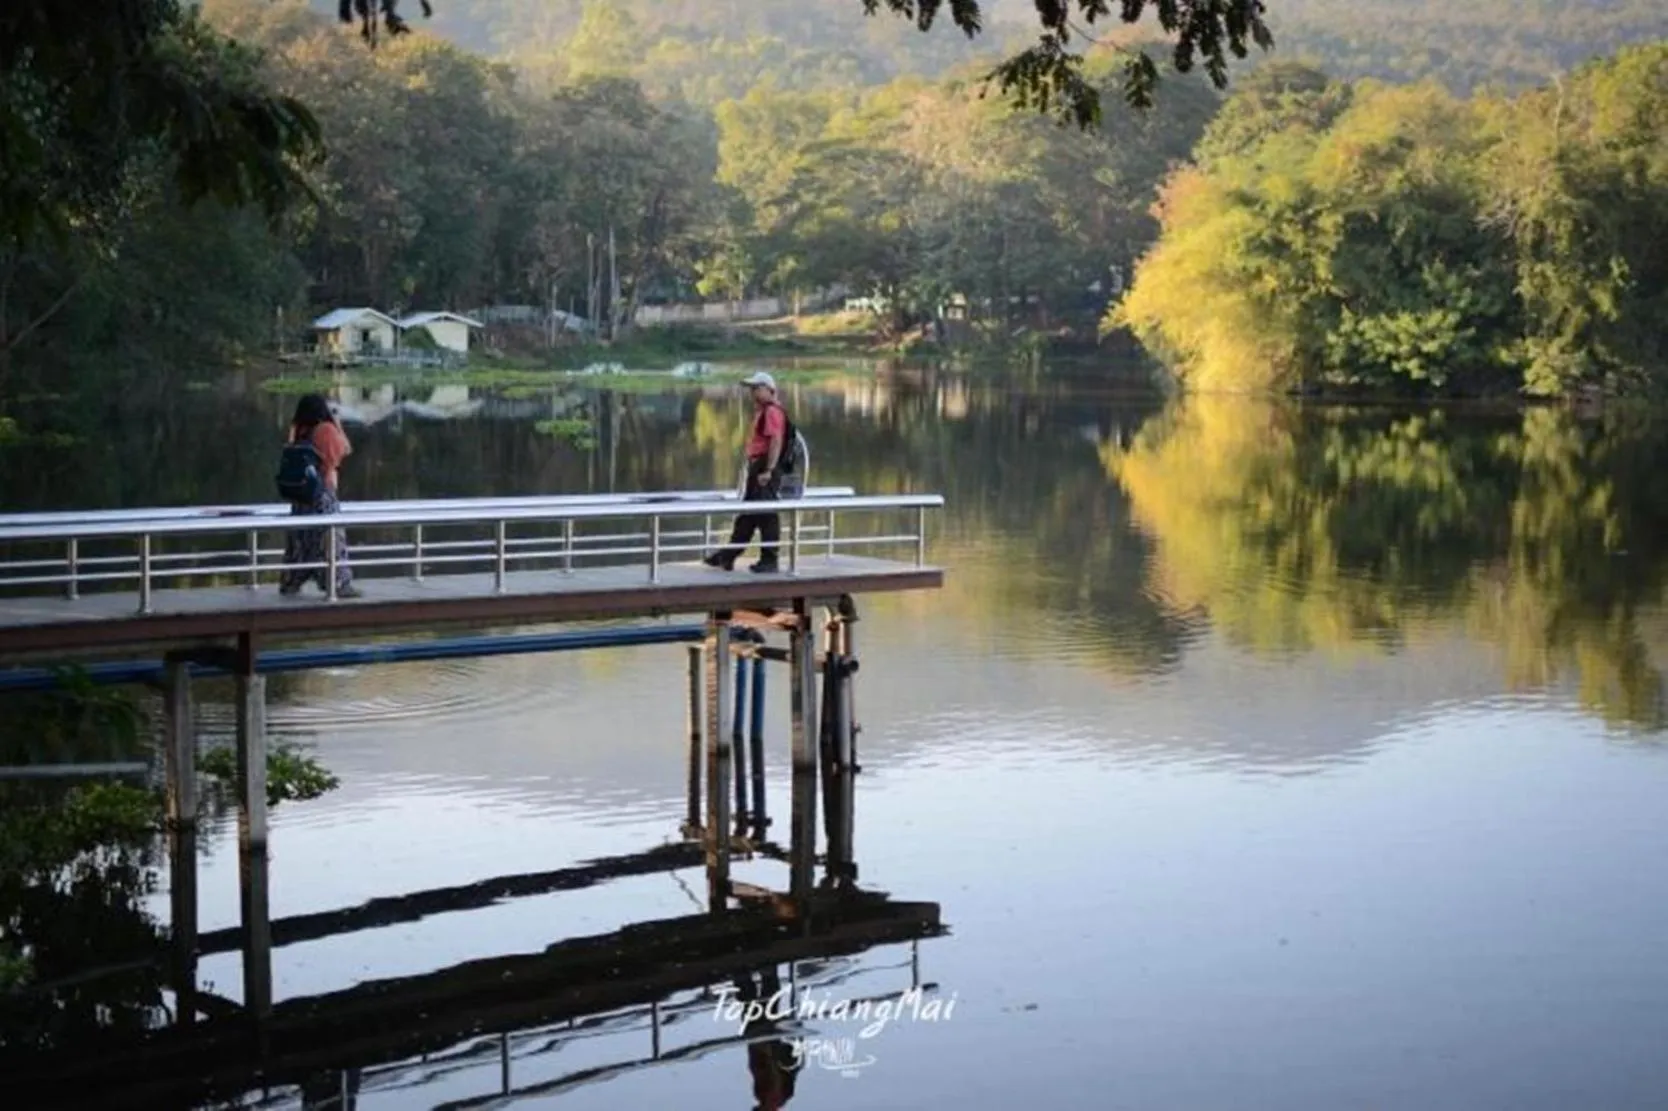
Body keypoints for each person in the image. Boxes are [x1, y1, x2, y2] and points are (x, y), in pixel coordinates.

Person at [704, 371, 789, 573]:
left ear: (770, 390)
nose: (753, 393)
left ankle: (770, 560)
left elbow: (776, 441)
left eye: (757, 388)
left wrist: (768, 470)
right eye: (752, 389)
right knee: (748, 515)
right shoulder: (763, 412)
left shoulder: (772, 412)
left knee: (766, 515)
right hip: (758, 465)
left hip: (765, 467)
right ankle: (728, 555)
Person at [278, 393, 360, 598]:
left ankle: (291, 581)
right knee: (331, 539)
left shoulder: (299, 430)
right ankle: (337, 582)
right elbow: (344, 450)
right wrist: (337, 424)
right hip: (322, 495)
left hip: (300, 498)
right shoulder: (325, 430)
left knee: (300, 541)